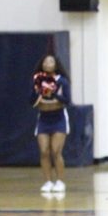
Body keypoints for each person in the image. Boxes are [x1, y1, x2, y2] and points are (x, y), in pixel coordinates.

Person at [30, 54, 71, 193]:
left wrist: (54, 94)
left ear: (56, 64)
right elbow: (31, 101)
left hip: (59, 118)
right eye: (45, 61)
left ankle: (60, 181)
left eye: (51, 61)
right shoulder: (38, 81)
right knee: (44, 151)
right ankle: (47, 181)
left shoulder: (62, 81)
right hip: (43, 119)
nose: (48, 63)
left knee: (56, 151)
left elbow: (67, 100)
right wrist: (39, 92)